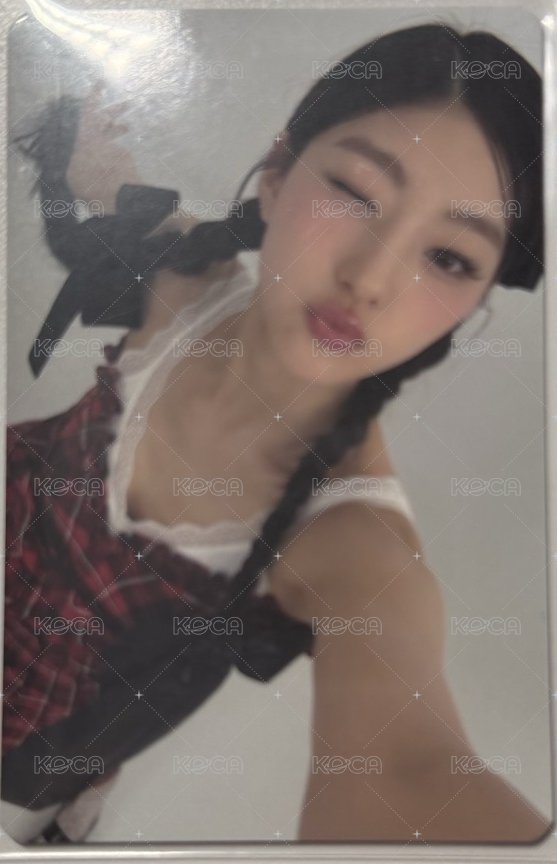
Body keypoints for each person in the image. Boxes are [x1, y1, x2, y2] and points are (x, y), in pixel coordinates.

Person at [2, 22, 550, 844]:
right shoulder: (191, 275)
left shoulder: (352, 545)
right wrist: (82, 126)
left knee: (76, 762)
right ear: (277, 172)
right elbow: (111, 176)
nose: (370, 278)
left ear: (474, 304)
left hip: (66, 710)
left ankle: (73, 803)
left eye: (448, 258)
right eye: (357, 193)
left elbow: (407, 766)